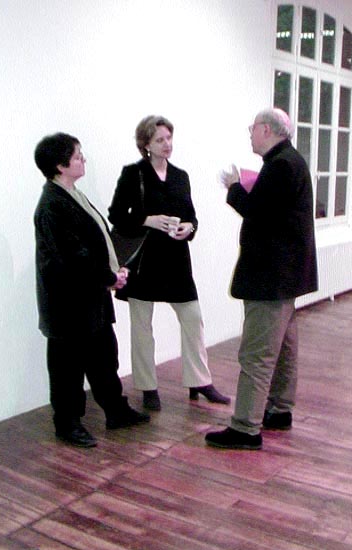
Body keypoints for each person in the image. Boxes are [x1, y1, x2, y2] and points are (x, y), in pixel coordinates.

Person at [205, 108, 318, 450]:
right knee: (283, 348)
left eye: (252, 128)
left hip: (271, 276)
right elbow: (274, 210)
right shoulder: (289, 161)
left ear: (267, 130)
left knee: (257, 354)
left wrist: (234, 187)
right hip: (285, 275)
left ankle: (246, 427)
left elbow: (259, 213)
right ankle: (279, 410)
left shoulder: (281, 165)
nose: (250, 134)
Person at [34, 132, 150, 448]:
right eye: (77, 156)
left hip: (90, 297)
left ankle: (115, 410)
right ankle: (67, 424)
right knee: (67, 368)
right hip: (68, 304)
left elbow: (94, 244)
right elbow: (73, 257)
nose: (83, 159)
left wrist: (112, 271)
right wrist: (109, 277)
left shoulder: (73, 195)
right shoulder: (52, 205)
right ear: (60, 166)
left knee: (103, 357)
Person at [108, 115, 230, 411]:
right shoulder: (133, 174)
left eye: (169, 138)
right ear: (146, 144)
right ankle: (147, 386)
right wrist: (147, 220)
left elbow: (191, 215)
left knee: (192, 318)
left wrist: (190, 228)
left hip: (176, 258)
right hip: (145, 259)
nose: (167, 144)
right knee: (141, 325)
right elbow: (116, 215)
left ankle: (199, 381)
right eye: (160, 139)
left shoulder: (180, 176)